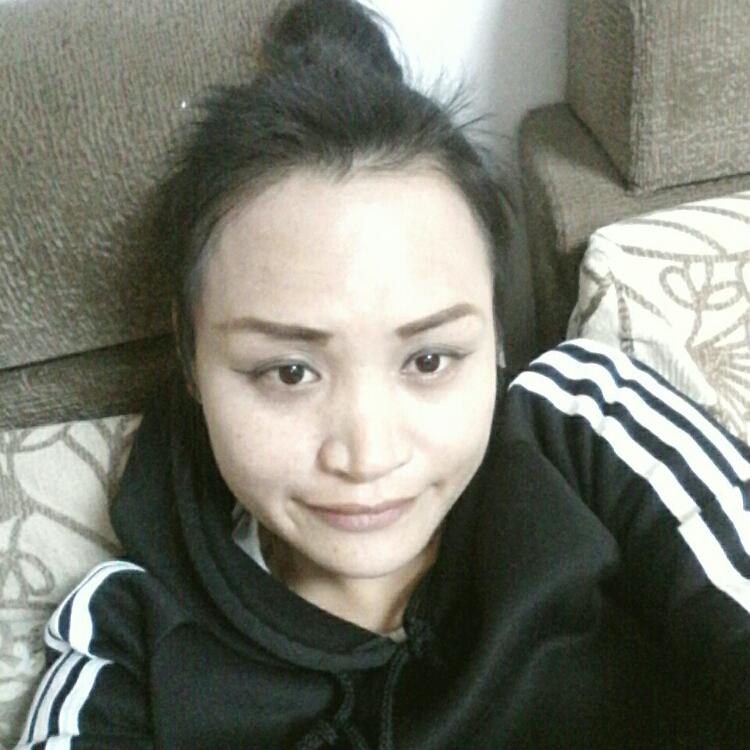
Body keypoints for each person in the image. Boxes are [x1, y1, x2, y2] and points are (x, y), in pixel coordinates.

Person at [15, 1, 750, 747]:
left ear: (496, 334)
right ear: (190, 357)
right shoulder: (126, 640)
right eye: (289, 372)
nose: (367, 457)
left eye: (429, 360)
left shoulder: (588, 422)